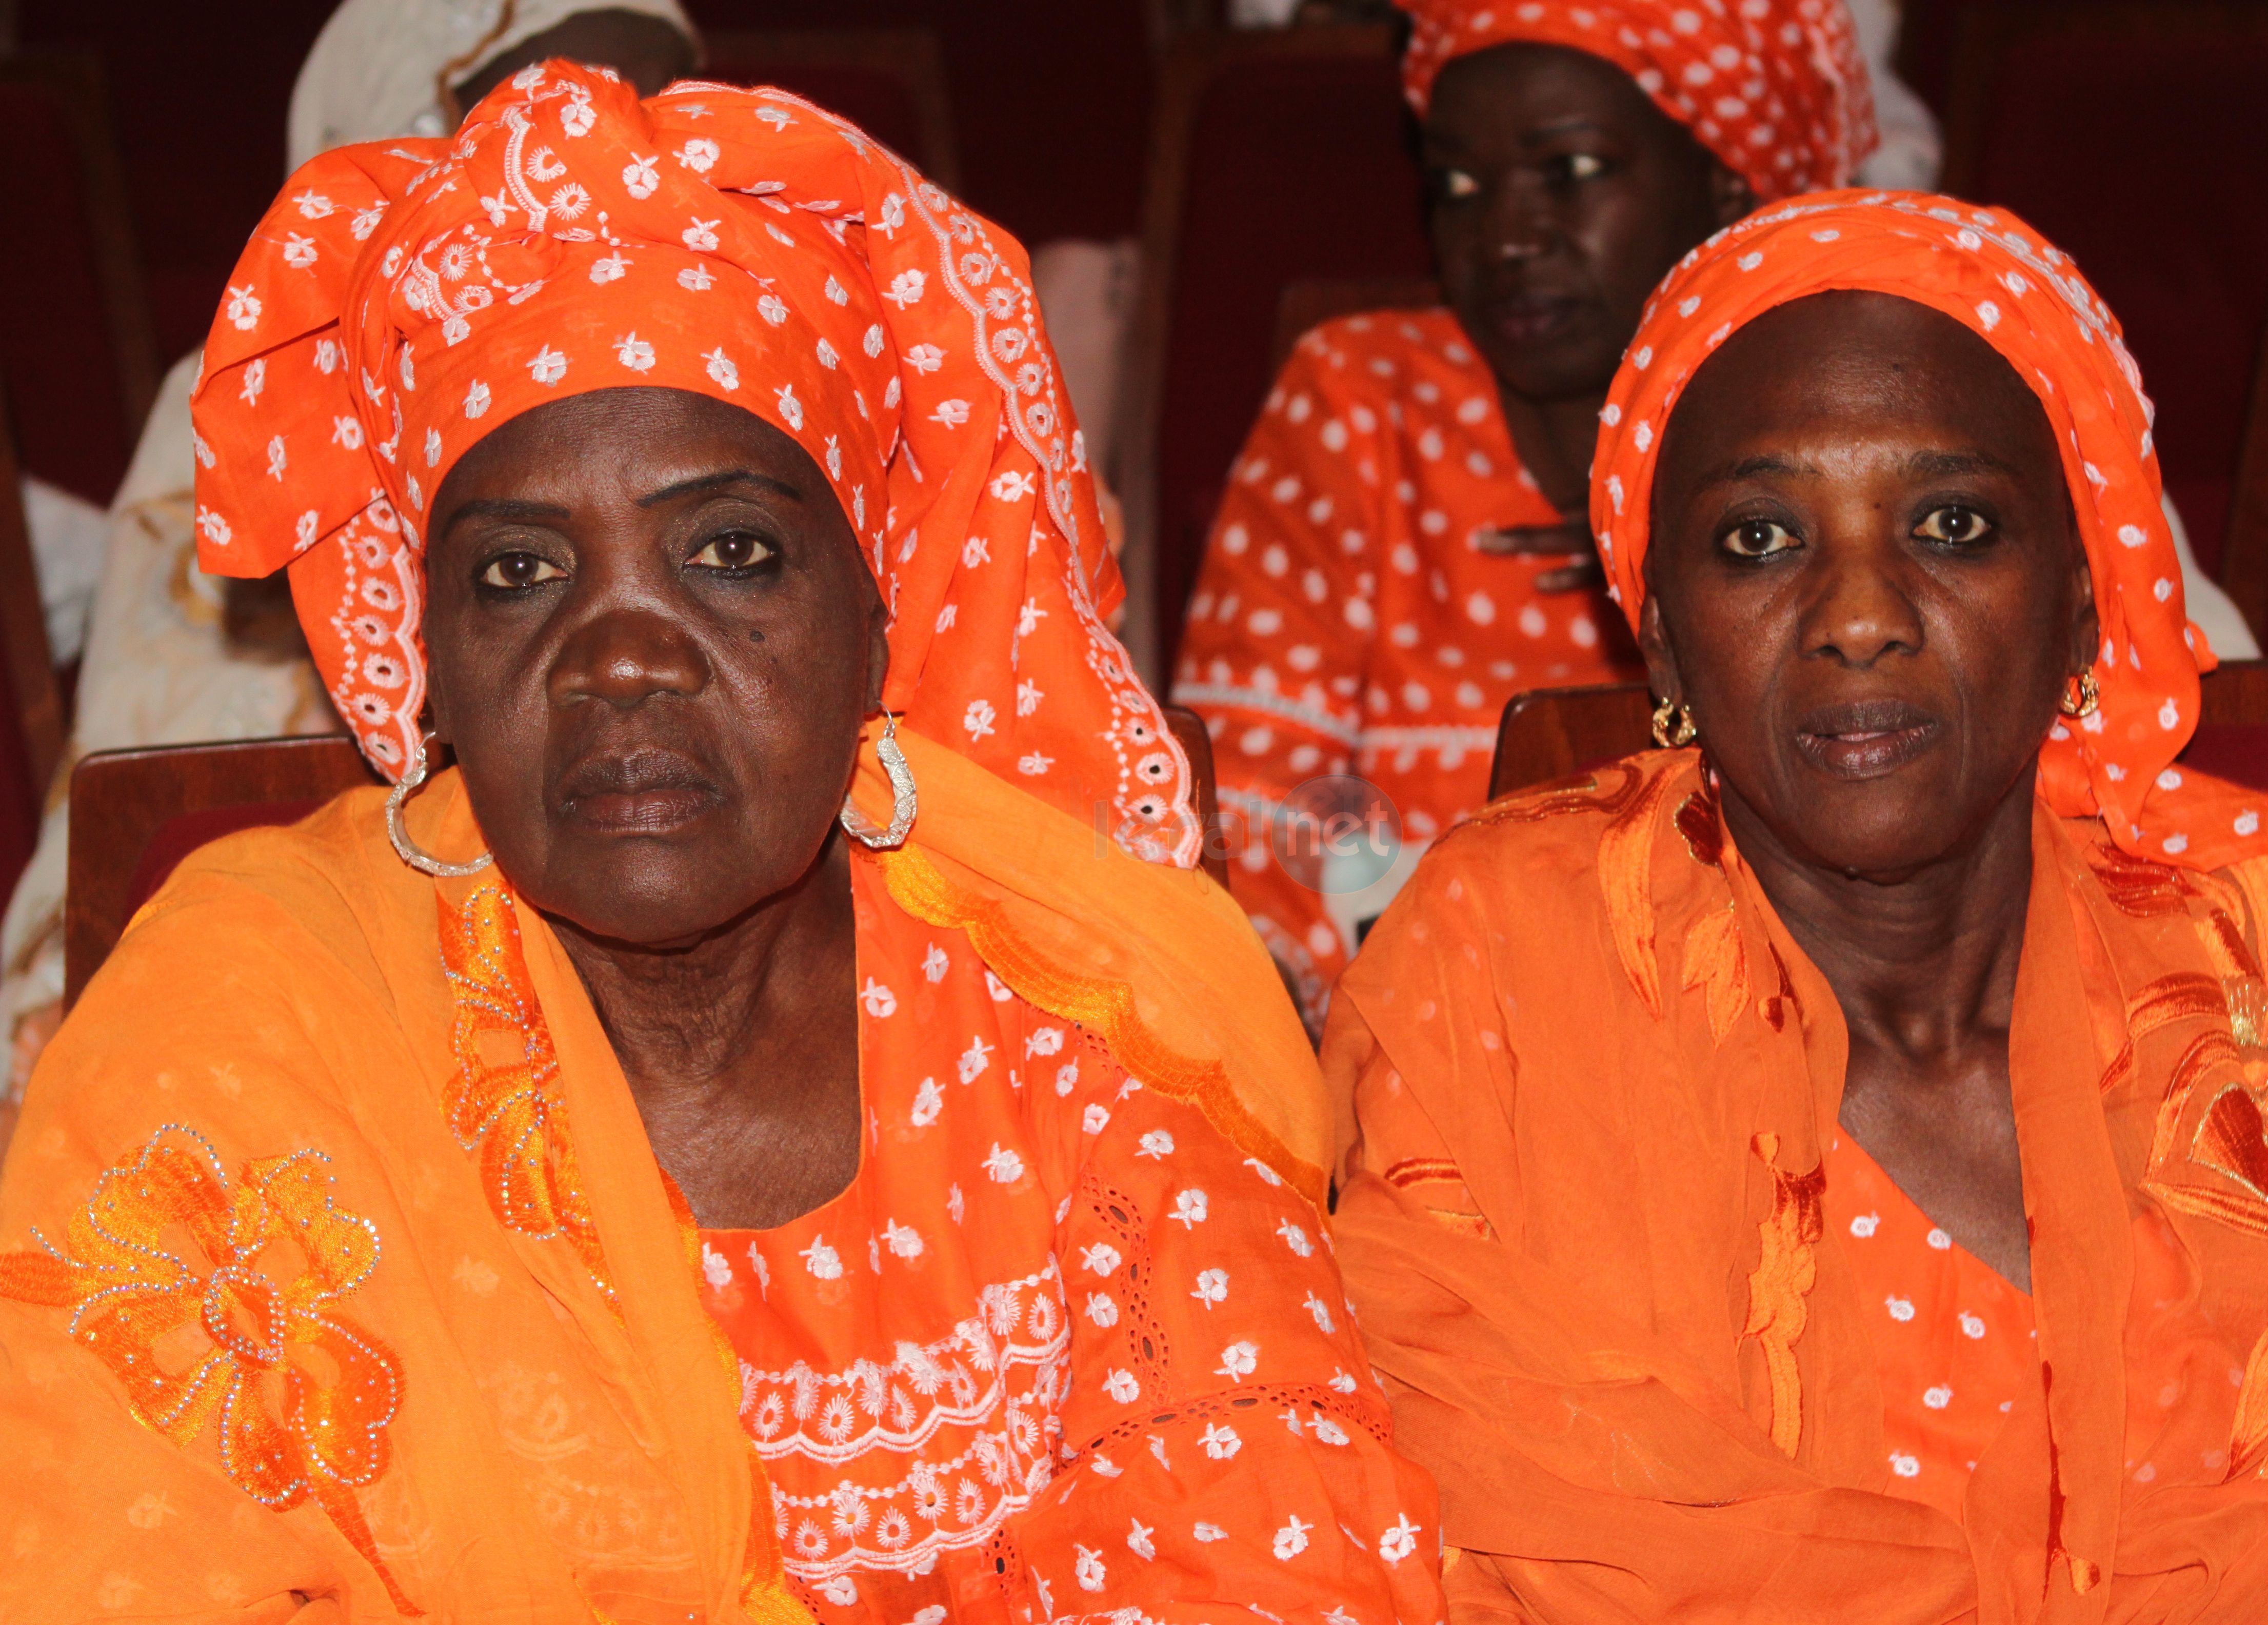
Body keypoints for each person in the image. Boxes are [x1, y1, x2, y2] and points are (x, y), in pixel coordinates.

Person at [0, 66, 1445, 1622]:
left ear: (876, 618)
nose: (622, 655)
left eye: (730, 553)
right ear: (423, 661)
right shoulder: (255, 1021)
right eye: (518, 575)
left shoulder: (1074, 1011)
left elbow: (1285, 1558)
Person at [1328, 192, 2268, 1619]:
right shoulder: (1506, 969)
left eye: (1953, 524)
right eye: (1760, 541)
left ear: (2087, 604)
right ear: (1656, 621)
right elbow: (1465, 1523)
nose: (1861, 614)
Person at [0, 0, 702, 1119]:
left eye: (658, 110)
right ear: (397, 148)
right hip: (339, 1021)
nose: (620, 160)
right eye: (539, 121)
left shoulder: (757, 375)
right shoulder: (255, 410)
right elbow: (168, 813)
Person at [1170, 0, 1877, 1022]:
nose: (1506, 235)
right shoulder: (1366, 401)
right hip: (1404, 1035)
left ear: (1726, 180)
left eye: (1572, 171)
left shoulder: (1853, 422)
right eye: (1459, 187)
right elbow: (1250, 812)